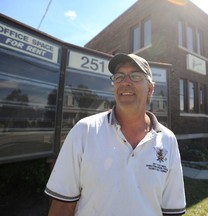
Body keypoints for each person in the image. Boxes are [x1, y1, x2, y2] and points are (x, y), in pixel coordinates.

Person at [45, 53, 186, 216]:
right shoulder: (84, 130)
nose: (125, 82)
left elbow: (172, 210)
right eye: (119, 77)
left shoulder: (168, 140)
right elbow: (62, 206)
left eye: (135, 76)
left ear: (150, 89)